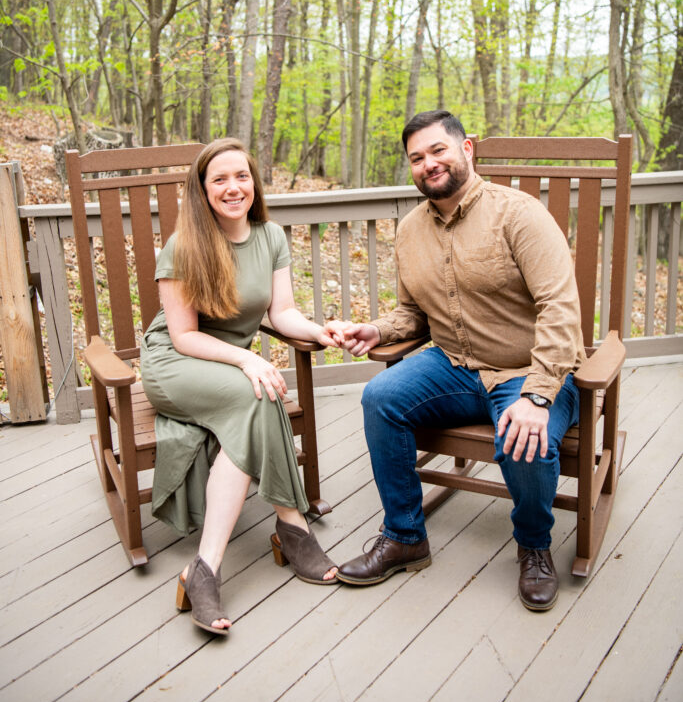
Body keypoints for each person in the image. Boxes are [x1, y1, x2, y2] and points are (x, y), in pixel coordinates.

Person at [328, 110, 584, 611]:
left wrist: (536, 395)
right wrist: (378, 329)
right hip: (453, 366)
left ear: (467, 148)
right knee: (381, 396)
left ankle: (534, 545)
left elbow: (560, 307)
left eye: (438, 150)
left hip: (527, 370)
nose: (428, 164)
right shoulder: (409, 230)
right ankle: (404, 536)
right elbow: (413, 313)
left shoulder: (519, 214)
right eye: (417, 158)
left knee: (521, 437)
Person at [141, 138, 343, 635]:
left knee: (256, 398)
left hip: (230, 367)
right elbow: (184, 336)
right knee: (258, 390)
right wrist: (245, 359)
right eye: (220, 180)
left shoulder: (271, 236)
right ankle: (293, 527)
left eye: (242, 176)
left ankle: (204, 569)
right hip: (176, 362)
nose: (234, 188)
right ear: (202, 190)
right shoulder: (184, 247)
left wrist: (321, 331)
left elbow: (282, 312)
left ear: (254, 181)